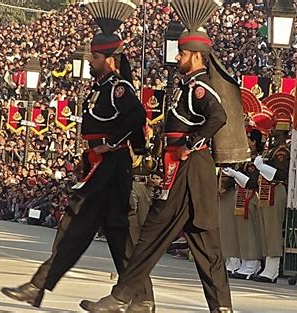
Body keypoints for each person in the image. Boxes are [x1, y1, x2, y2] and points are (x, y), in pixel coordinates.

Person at [79, 1, 233, 312]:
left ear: (198, 57)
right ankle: (221, 308)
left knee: (150, 236)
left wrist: (192, 143)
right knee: (206, 248)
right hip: (190, 173)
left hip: (189, 170)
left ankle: (122, 297)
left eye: (183, 53)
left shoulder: (200, 88)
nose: (178, 57)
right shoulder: (188, 86)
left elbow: (218, 116)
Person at [0, 1, 154, 310]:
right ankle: (140, 300)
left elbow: (137, 116)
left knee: (85, 226)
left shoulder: (118, 87)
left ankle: (39, 286)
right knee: (108, 232)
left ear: (110, 60)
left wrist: (111, 142)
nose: (91, 61)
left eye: (95, 56)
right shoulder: (101, 87)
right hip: (100, 165)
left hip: (111, 167)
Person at [252, 108, 292, 283]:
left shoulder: (282, 151)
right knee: (265, 229)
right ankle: (266, 265)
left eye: (275, 127)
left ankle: (272, 268)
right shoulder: (272, 150)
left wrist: (262, 167)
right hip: (266, 192)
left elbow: (281, 175)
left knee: (273, 230)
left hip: (276, 190)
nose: (272, 130)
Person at [223, 129, 264, 280]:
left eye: (247, 139)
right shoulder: (244, 158)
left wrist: (235, 174)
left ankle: (252, 262)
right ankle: (245, 260)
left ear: (253, 142)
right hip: (241, 194)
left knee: (250, 230)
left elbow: (252, 182)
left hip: (252, 195)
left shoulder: (256, 159)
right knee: (241, 231)